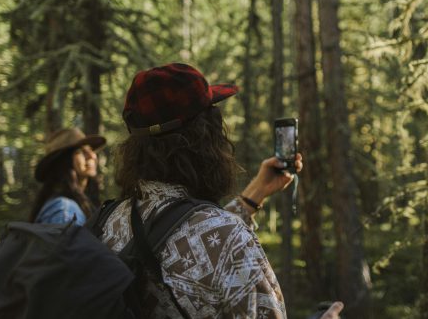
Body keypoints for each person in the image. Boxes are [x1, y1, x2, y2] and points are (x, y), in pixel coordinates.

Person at [101, 63, 342, 318]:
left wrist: (255, 193)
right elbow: (204, 242)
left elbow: (183, 236)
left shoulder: (109, 221)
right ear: (205, 137)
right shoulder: (229, 239)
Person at [30, 127, 106, 225]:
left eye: (90, 149)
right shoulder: (64, 210)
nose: (92, 156)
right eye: (81, 151)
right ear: (64, 161)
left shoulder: (76, 204)